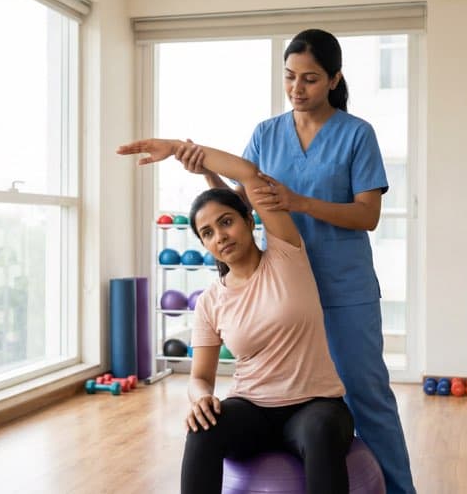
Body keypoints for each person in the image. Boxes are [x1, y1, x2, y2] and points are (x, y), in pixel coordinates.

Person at [177, 28, 416, 493]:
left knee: (368, 399)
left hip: (344, 289)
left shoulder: (356, 134)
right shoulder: (267, 134)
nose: (297, 89)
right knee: (285, 397)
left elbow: (368, 215)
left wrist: (297, 202)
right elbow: (239, 204)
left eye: (309, 79)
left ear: (333, 79)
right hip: (281, 289)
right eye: (289, 77)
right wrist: (202, 170)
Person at [117, 138, 355, 494]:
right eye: (208, 233)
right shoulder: (211, 301)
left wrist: (180, 149)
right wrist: (201, 401)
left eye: (226, 222)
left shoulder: (287, 256)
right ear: (204, 244)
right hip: (251, 409)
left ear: (248, 218)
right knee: (203, 427)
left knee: (320, 430)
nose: (220, 236)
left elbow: (248, 173)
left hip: (316, 406)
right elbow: (200, 377)